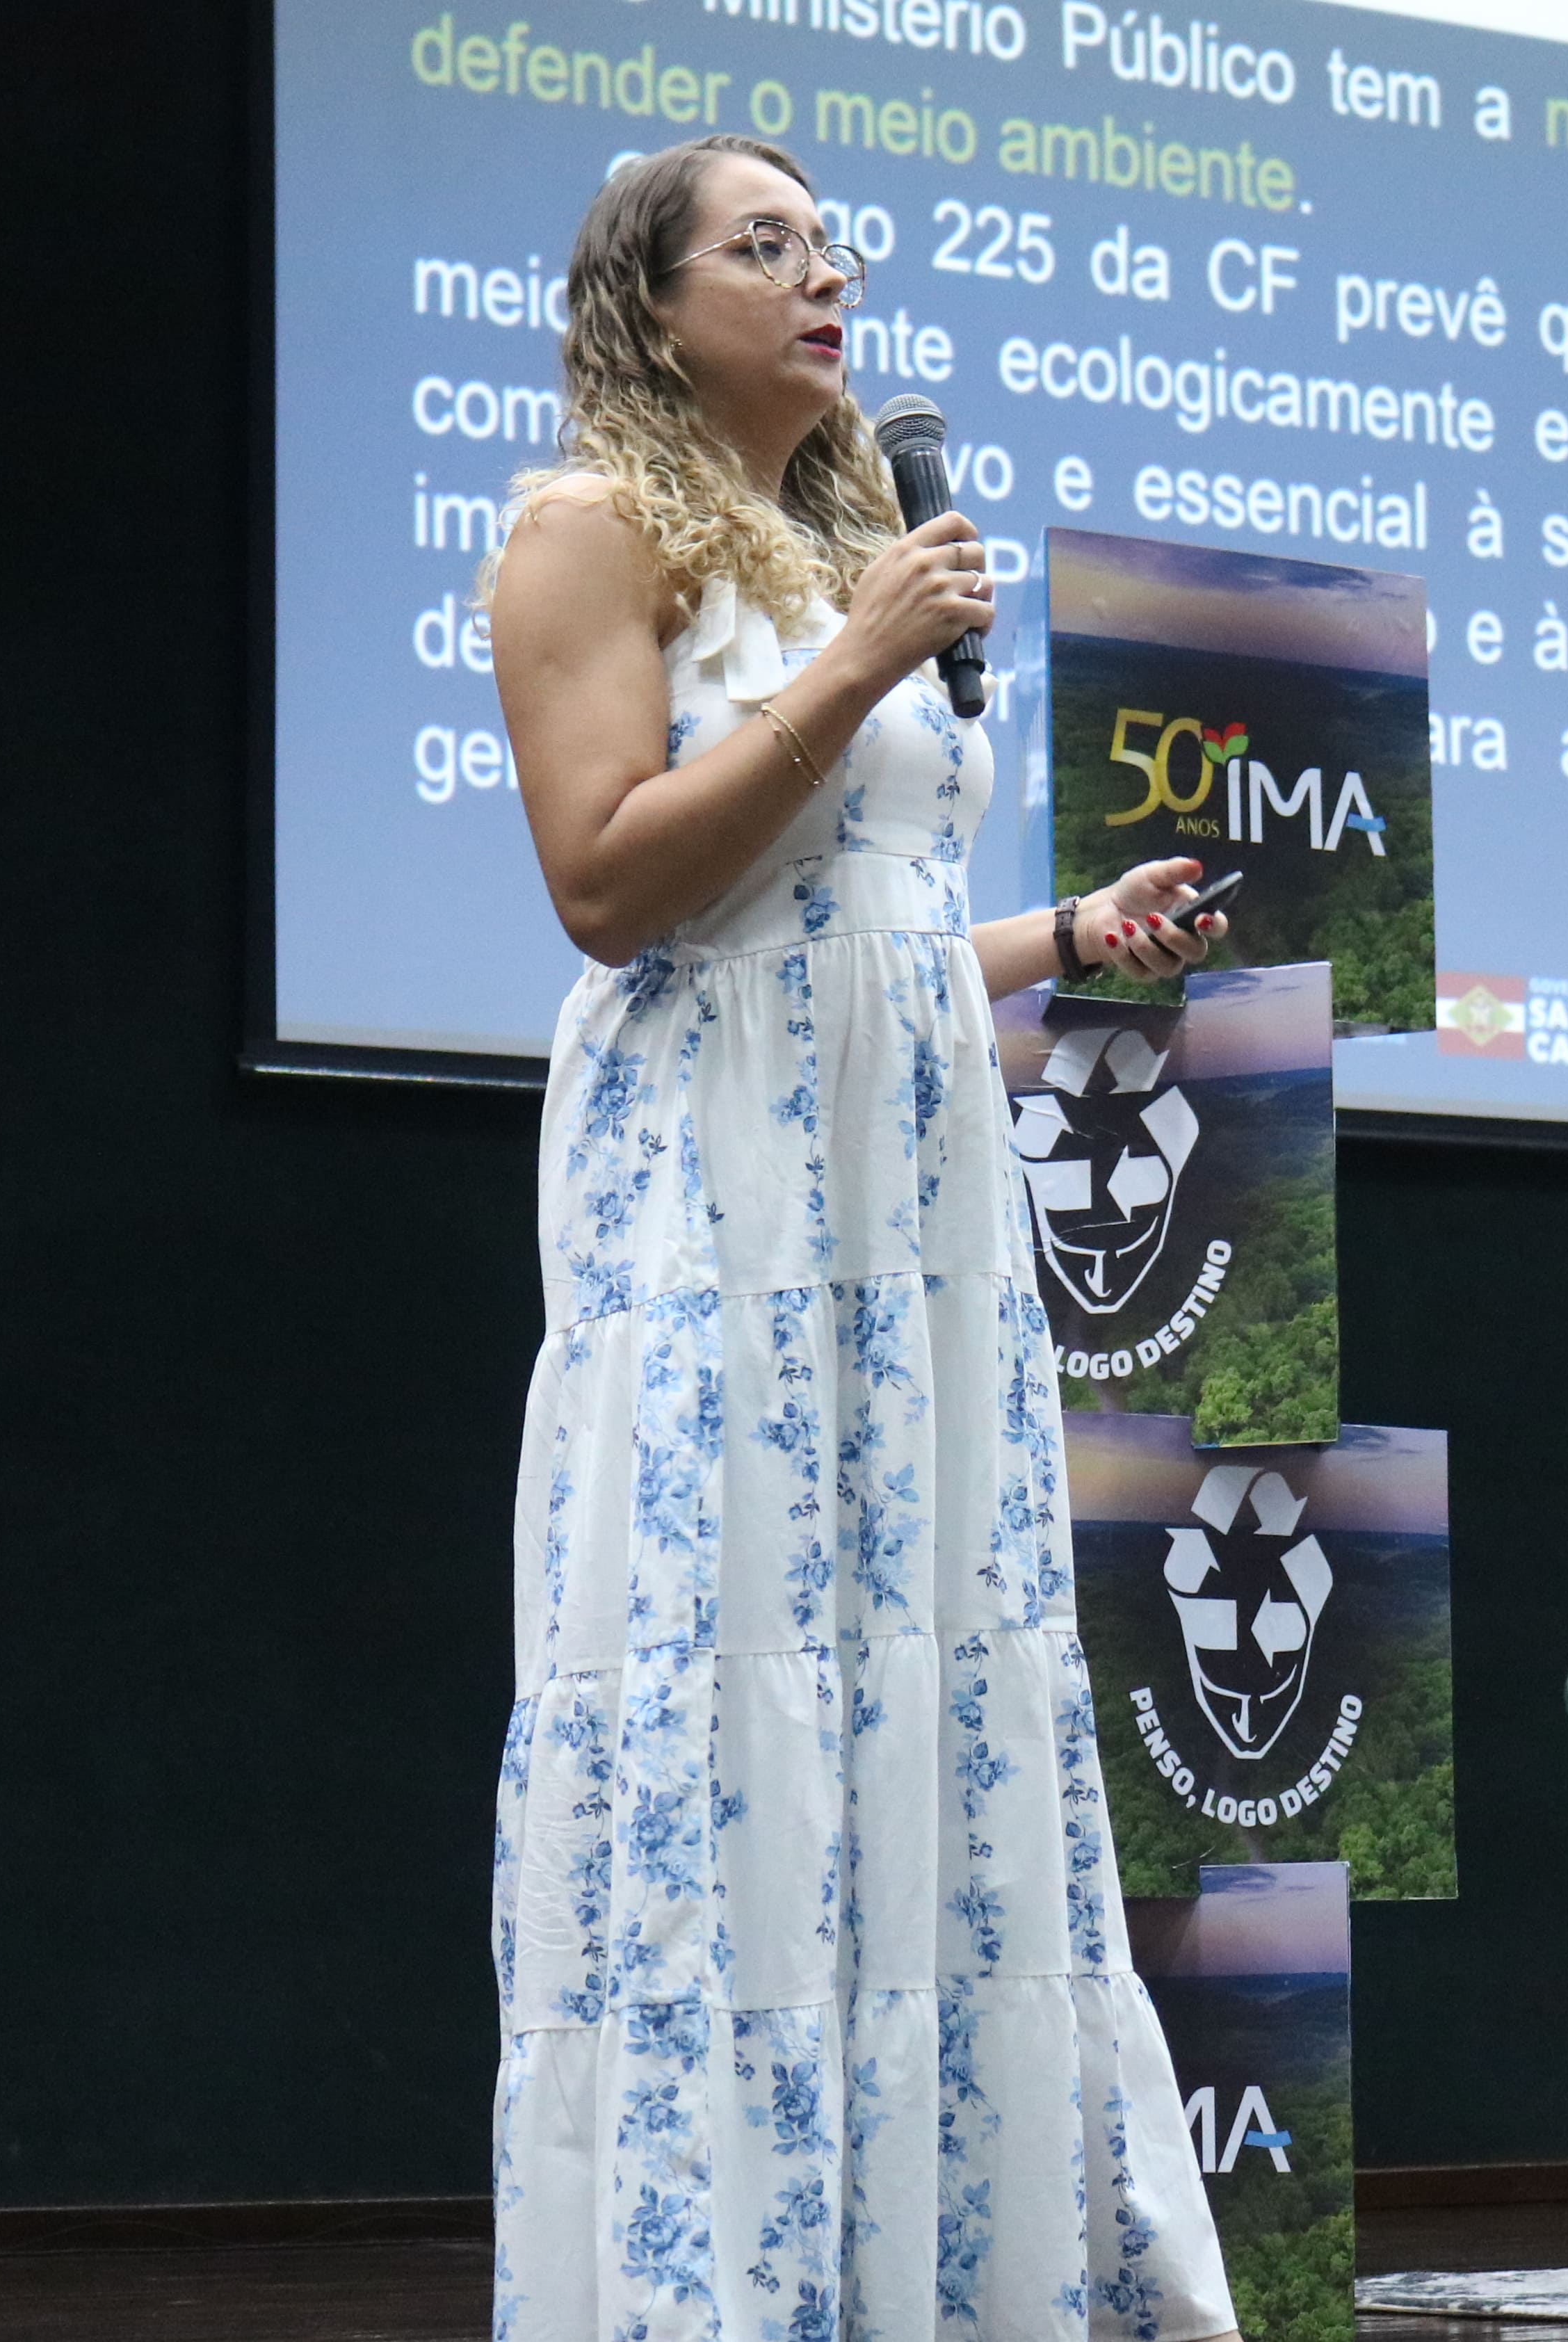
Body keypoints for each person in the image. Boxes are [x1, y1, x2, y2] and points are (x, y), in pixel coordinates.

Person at [480, 134, 1241, 2342]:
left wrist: (1063, 934)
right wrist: (861, 657)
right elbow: (614, 886)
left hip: (918, 1225)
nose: (828, 277)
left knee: (925, 1699)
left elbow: (863, 921)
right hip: (715, 1201)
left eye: (836, 248)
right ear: (650, 300)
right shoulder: (588, 530)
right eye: (769, 245)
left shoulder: (840, 546)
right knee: (738, 1704)